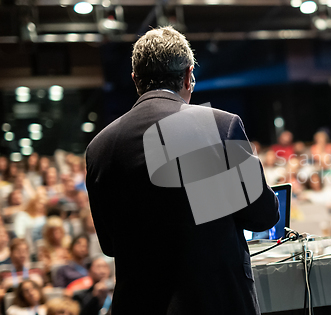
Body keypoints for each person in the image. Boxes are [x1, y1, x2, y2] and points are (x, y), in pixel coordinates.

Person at [85, 26, 279, 314]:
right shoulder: (220, 126)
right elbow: (263, 216)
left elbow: (110, 244)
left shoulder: (100, 147)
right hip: (216, 304)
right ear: (189, 75)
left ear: (136, 80)